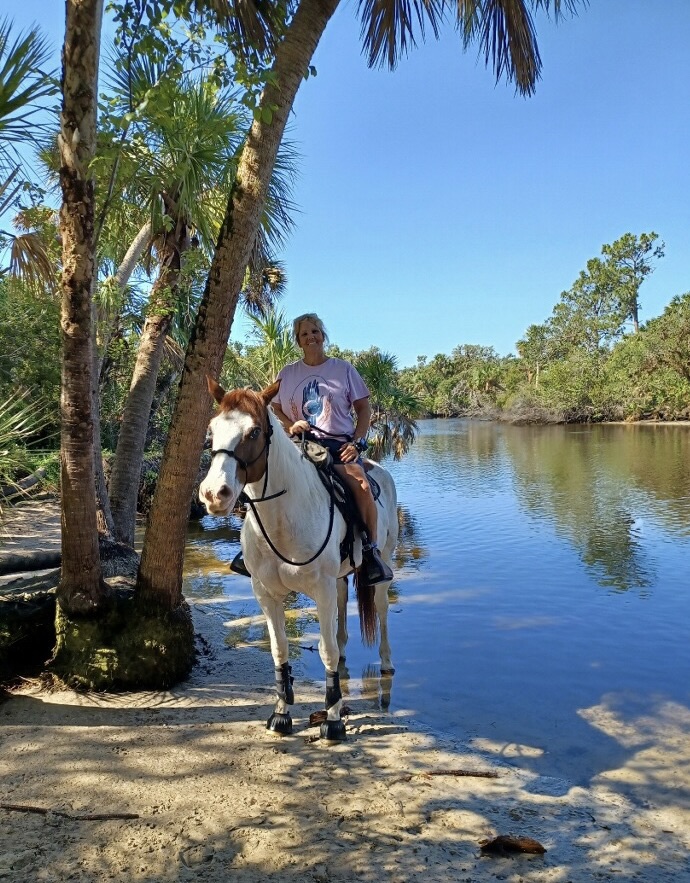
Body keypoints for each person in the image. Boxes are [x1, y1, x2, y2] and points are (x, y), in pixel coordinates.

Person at [231, 312, 392, 584]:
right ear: (298, 340)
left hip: (338, 443)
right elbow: (274, 407)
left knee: (362, 485)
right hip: (298, 444)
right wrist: (291, 424)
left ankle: (370, 550)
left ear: (323, 334)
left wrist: (357, 442)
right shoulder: (288, 373)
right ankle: (250, 550)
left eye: (315, 331)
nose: (311, 337)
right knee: (260, 481)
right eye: (304, 334)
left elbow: (363, 408)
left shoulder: (343, 369)